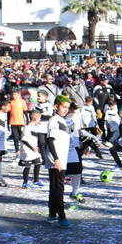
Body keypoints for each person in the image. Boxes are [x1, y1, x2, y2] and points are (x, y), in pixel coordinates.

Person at [43, 96, 76, 228]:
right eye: (63, 107)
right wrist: (56, 159)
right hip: (56, 160)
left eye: (67, 108)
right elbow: (50, 140)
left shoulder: (63, 121)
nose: (65, 110)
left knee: (54, 187)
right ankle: (62, 216)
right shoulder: (54, 120)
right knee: (58, 188)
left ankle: (52, 213)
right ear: (56, 107)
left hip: (62, 158)